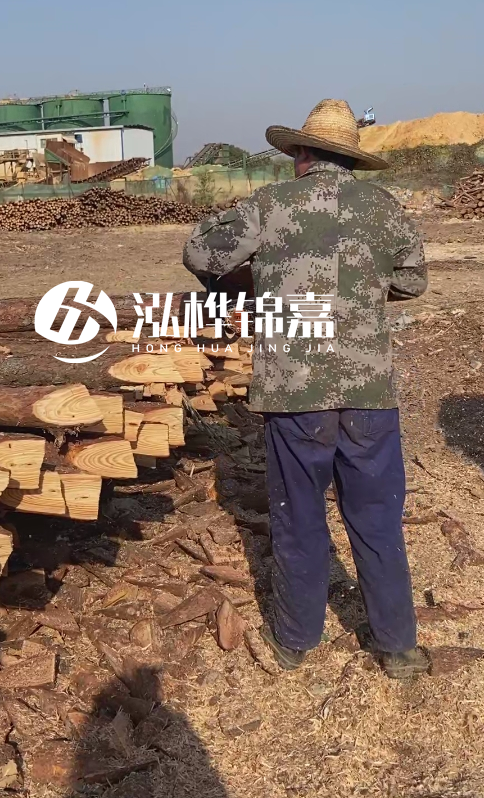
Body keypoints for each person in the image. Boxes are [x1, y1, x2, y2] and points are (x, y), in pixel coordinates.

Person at [183, 99, 428, 680]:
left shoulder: (271, 204)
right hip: (369, 393)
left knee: (298, 516)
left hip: (295, 393)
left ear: (300, 153)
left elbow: (198, 251)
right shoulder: (385, 209)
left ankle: (296, 639)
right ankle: (398, 647)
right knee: (377, 517)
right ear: (351, 160)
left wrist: (255, 281)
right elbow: (413, 281)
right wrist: (362, 293)